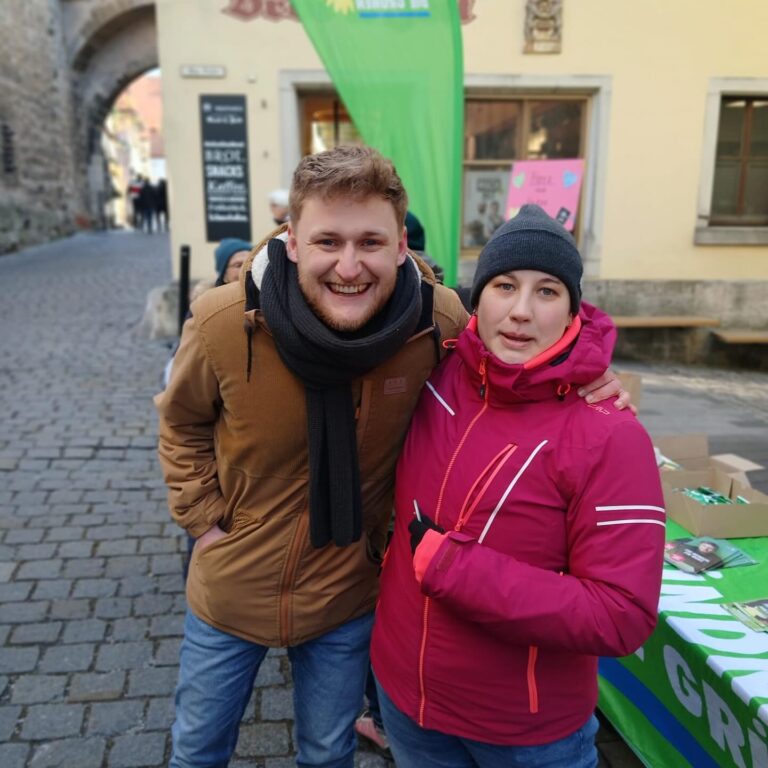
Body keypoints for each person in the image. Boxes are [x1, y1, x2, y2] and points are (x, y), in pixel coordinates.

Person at [155, 149, 630, 767]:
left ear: (401, 245)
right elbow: (180, 420)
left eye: (370, 242)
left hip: (345, 593)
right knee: (196, 750)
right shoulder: (224, 323)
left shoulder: (437, 323)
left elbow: (519, 349)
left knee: (327, 752)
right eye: (328, 240)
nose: (349, 266)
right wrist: (206, 521)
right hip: (231, 585)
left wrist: (589, 375)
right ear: (293, 241)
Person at [370, 204, 666, 768]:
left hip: (523, 733)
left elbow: (622, 613)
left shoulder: (609, 433)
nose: (522, 312)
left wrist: (458, 570)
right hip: (407, 700)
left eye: (548, 291)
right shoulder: (436, 367)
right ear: (476, 297)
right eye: (505, 285)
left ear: (573, 310)